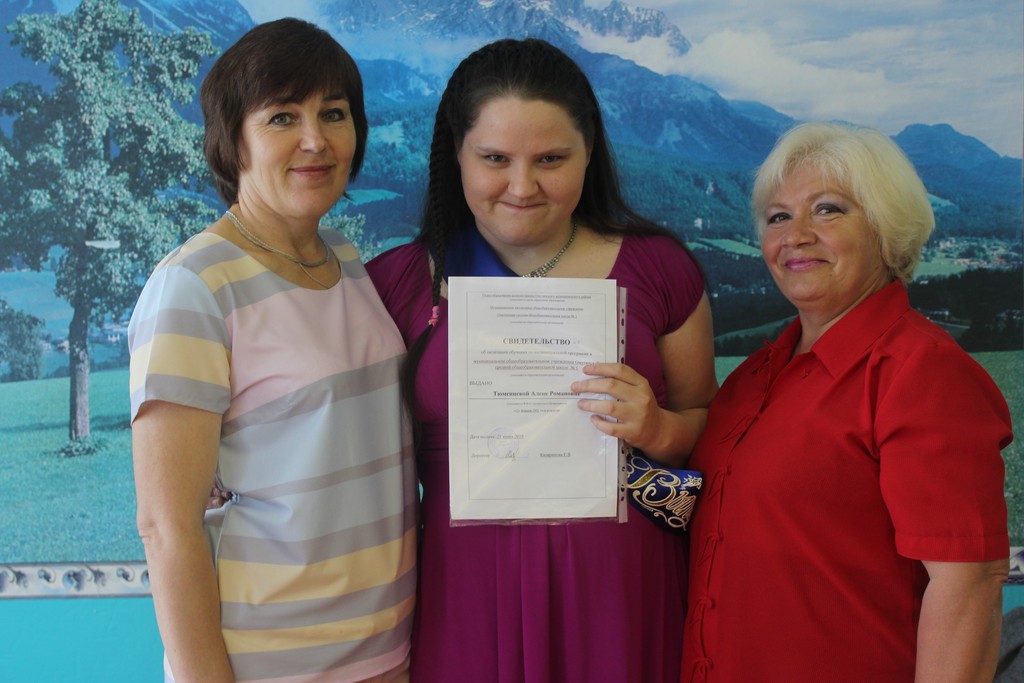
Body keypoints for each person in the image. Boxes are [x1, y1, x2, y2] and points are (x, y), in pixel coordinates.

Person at [366, 38, 718, 682]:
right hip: (463, 594)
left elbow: (707, 426)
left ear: (590, 153)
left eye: (551, 159)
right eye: (495, 159)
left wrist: (657, 427)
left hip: (620, 594)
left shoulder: (660, 269)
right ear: (457, 154)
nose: (522, 186)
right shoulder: (395, 285)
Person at [129, 19, 416, 683]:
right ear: (233, 140)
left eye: (334, 113)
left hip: (387, 652)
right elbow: (167, 528)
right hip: (270, 664)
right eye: (282, 116)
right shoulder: (195, 285)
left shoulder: (343, 256)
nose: (316, 139)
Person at [681, 122, 1012, 682]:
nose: (796, 235)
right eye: (778, 217)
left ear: (886, 228)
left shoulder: (921, 374)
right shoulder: (751, 379)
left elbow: (968, 584)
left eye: (827, 210)